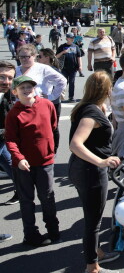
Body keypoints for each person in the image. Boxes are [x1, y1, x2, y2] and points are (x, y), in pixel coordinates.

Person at [68, 71, 121, 273]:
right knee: (93, 221)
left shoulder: (89, 107)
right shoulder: (91, 113)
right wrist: (101, 161)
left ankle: (96, 252)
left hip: (82, 169)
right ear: (107, 89)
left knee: (91, 215)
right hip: (90, 171)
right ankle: (92, 266)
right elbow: (75, 144)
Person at [5, 75, 60, 247]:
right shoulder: (13, 114)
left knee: (47, 197)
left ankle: (53, 230)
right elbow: (11, 140)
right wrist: (19, 158)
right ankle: (30, 235)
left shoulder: (47, 105)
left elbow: (53, 128)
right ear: (15, 92)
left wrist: (51, 151)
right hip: (23, 166)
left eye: (30, 87)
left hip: (45, 162)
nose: (27, 90)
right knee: (27, 201)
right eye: (22, 88)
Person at [17, 44, 67, 152]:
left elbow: (62, 81)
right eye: (21, 57)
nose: (24, 59)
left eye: (27, 56)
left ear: (34, 56)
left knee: (43, 132)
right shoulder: (16, 70)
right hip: (20, 108)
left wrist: (51, 96)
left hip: (38, 106)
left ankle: (49, 151)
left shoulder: (42, 68)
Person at [0, 60, 19, 205]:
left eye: (10, 78)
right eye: (2, 76)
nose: (6, 81)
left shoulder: (8, 93)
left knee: (8, 160)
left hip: (3, 136)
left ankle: (21, 188)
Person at [56, 33, 83, 103]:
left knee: (72, 82)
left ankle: (71, 97)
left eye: (73, 38)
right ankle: (60, 96)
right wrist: (63, 52)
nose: (72, 39)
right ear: (67, 38)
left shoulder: (76, 47)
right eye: (71, 38)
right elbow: (56, 56)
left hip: (73, 68)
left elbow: (79, 57)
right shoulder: (62, 46)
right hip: (64, 68)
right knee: (63, 82)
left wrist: (80, 66)